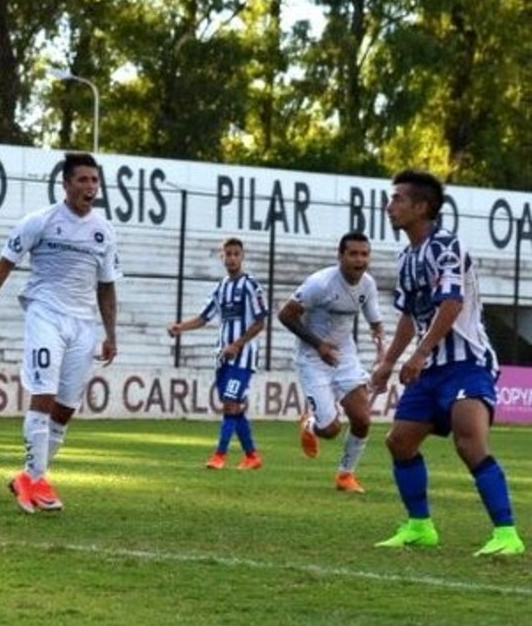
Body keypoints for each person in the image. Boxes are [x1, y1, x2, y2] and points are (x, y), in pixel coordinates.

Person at [369, 169, 524, 556]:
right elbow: (409, 316)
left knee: (468, 441)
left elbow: (451, 304)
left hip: (467, 362)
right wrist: (388, 362)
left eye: (397, 199)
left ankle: (506, 534)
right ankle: (420, 527)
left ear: (422, 207)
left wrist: (420, 353)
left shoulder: (446, 246)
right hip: (431, 367)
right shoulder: (407, 257)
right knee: (400, 442)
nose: (389, 206)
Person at [0, 152, 119, 514]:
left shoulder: (104, 231)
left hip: (83, 325)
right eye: (82, 180)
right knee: (44, 394)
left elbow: (107, 287)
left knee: (65, 409)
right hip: (45, 314)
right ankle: (35, 479)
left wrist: (111, 334)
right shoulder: (40, 221)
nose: (90, 187)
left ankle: (29, 477)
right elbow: (4, 265)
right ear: (66, 184)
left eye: (94, 180)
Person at [277, 232, 385, 493]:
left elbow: (375, 324)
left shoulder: (367, 285)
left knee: (362, 419)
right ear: (340, 256)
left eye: (364, 254)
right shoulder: (320, 284)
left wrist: (382, 354)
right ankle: (309, 424)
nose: (360, 260)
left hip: (344, 357)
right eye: (353, 254)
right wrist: (319, 345)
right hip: (312, 358)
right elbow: (285, 315)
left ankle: (345, 475)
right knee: (330, 429)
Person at [168, 237, 268, 470]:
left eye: (236, 254)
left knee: (230, 404)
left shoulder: (251, 285)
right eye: (228, 254)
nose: (232, 258)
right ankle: (252, 456)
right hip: (223, 357)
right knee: (232, 406)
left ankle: (219, 455)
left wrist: (237, 344)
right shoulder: (221, 287)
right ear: (222, 257)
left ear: (242, 256)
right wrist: (180, 327)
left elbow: (260, 322)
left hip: (242, 358)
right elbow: (204, 318)